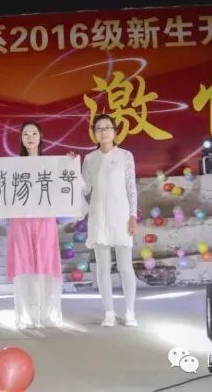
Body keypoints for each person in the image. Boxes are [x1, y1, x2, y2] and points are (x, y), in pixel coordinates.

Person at [5, 121, 64, 328]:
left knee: (44, 265)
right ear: (21, 139)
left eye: (34, 133)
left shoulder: (52, 164)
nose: (30, 137)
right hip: (21, 221)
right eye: (25, 134)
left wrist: (70, 164)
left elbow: (69, 185)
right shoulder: (13, 167)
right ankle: (26, 315)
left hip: (45, 221)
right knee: (24, 266)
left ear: (41, 137)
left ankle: (45, 313)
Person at [81, 114, 138, 327]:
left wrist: (133, 215)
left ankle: (130, 311)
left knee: (125, 267)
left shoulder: (125, 156)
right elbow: (85, 188)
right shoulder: (90, 159)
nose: (103, 131)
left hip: (121, 216)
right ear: (94, 133)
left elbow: (131, 187)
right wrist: (70, 169)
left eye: (107, 127)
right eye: (99, 128)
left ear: (114, 131)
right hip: (98, 217)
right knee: (102, 268)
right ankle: (109, 312)